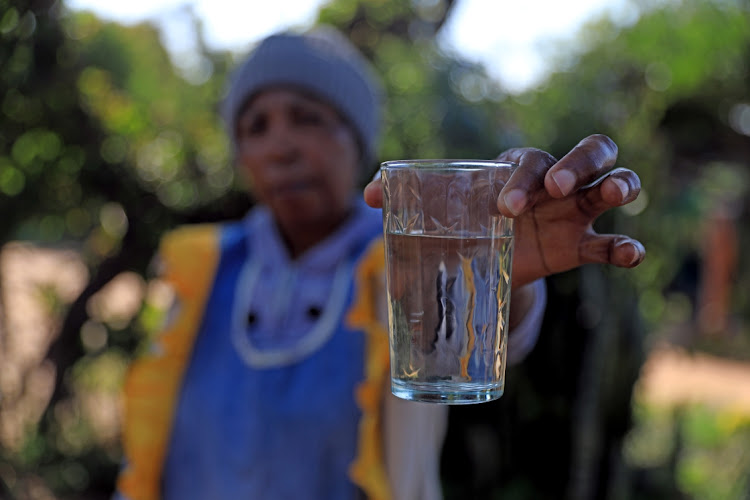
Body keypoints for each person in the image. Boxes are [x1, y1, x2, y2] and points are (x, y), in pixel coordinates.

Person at [113, 26, 645, 500]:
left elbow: (475, 333)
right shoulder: (205, 267)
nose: (281, 146)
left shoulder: (406, 256)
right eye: (256, 126)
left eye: (309, 119)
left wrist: (503, 272)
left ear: (358, 140)